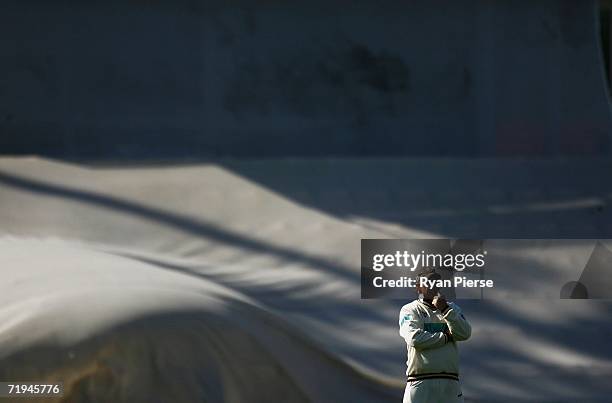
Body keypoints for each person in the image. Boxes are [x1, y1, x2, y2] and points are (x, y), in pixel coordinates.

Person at [399, 270, 471, 403]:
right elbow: (414, 338)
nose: (433, 285)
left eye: (436, 282)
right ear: (418, 287)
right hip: (420, 382)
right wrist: (446, 337)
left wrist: (445, 310)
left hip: (450, 384)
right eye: (428, 282)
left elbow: (465, 333)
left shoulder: (451, 309)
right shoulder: (410, 309)